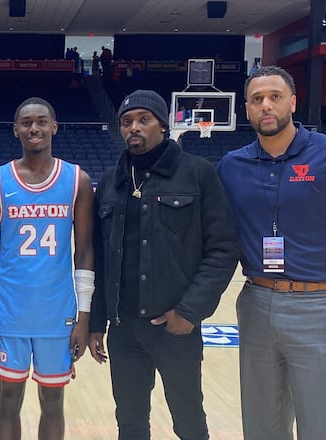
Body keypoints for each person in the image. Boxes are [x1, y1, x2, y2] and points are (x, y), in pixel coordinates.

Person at [217, 65, 326, 440]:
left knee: (322, 428)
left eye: (274, 96)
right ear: (246, 109)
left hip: (322, 307)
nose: (266, 105)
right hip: (256, 302)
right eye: (257, 99)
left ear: (293, 101)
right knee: (261, 428)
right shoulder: (231, 166)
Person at [88, 89, 240, 440]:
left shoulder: (198, 175)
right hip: (124, 329)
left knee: (188, 420)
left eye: (144, 120)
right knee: (129, 422)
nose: (133, 128)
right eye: (126, 122)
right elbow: (97, 258)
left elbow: (222, 249)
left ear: (163, 125)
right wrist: (97, 322)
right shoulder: (111, 183)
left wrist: (189, 312)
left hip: (176, 327)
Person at [0, 97, 94, 439]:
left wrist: (84, 317)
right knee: (9, 398)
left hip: (58, 314)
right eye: (26, 122)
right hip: (11, 313)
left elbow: (84, 252)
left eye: (42, 121)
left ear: (54, 127)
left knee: (53, 400)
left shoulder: (77, 180)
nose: (34, 128)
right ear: (15, 130)